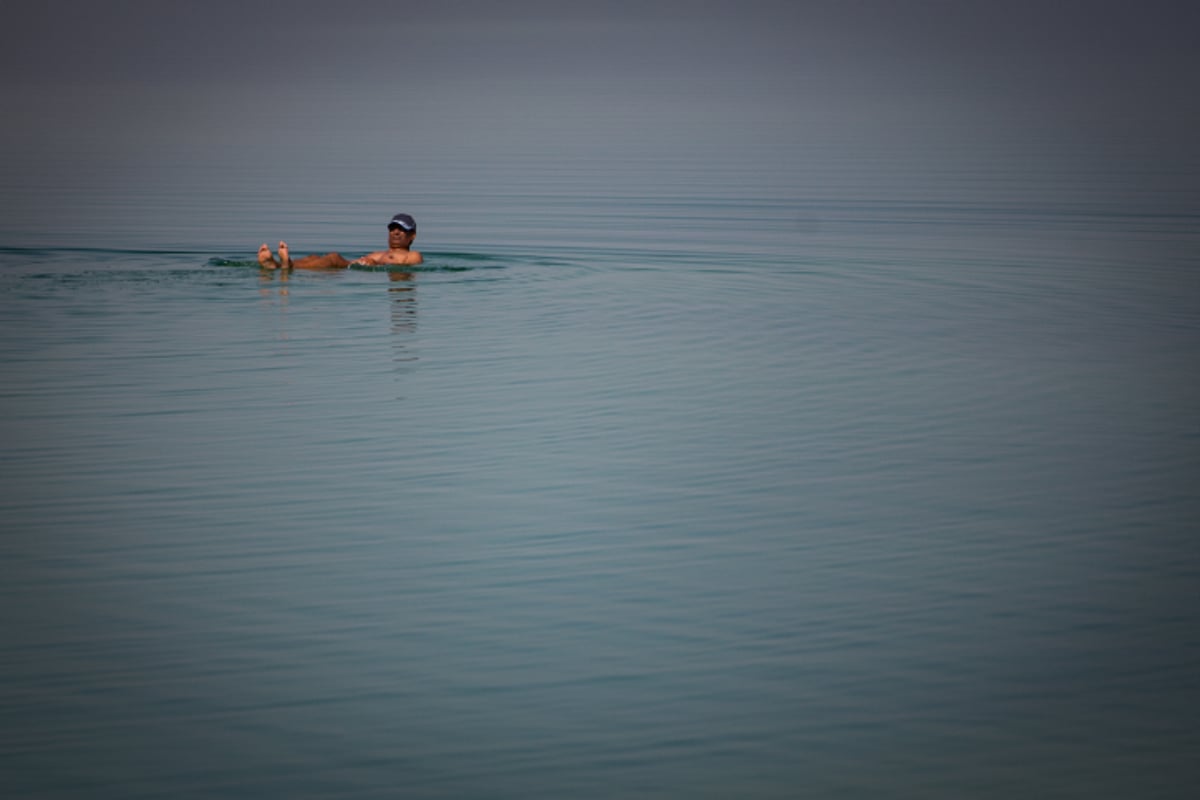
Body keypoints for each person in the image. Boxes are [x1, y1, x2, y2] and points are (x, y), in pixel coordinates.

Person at [257, 213, 424, 270]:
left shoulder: (413, 255)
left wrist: (375, 264)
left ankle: (287, 266)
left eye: (401, 229)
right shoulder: (380, 253)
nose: (395, 232)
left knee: (333, 258)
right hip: (354, 267)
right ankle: (280, 265)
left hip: (352, 270)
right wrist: (371, 261)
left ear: (412, 236)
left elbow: (404, 270)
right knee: (314, 256)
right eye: (392, 228)